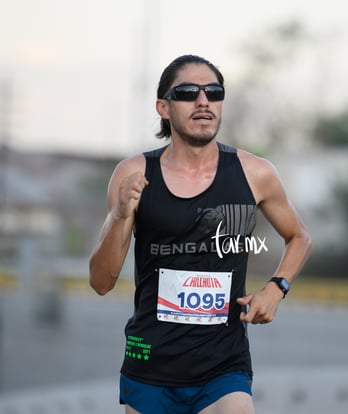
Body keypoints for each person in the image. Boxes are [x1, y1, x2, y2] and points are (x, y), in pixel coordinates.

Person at [89, 54, 312, 414]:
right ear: (164, 107)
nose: (203, 100)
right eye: (189, 92)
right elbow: (101, 281)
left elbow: (300, 236)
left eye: (214, 91)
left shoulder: (255, 173)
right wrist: (120, 215)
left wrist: (277, 287)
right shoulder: (133, 174)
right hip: (150, 367)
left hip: (224, 369)